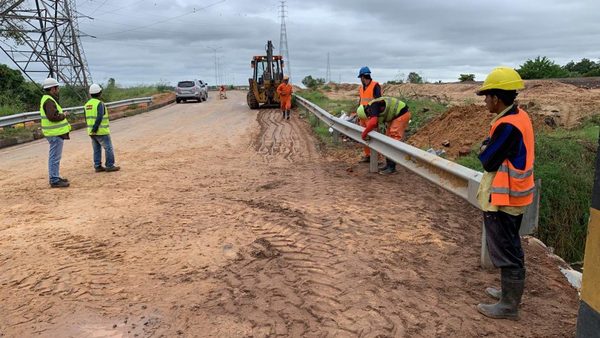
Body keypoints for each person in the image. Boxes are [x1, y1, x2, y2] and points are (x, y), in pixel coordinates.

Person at [475, 67, 534, 320]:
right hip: (516, 194)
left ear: (497, 98)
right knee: (510, 245)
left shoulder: (507, 126)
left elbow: (487, 161)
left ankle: (509, 306)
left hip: (505, 197)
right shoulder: (521, 116)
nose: (485, 101)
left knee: (506, 248)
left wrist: (485, 148)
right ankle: (506, 293)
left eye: (487, 97)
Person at [358, 96, 411, 174]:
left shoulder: (373, 106)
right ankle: (388, 165)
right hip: (395, 116)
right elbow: (375, 123)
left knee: (393, 141)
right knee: (388, 140)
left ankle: (391, 168)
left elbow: (373, 122)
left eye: (368, 116)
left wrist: (364, 134)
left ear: (366, 111)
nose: (369, 117)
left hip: (401, 114)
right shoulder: (374, 107)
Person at [40, 78, 71, 188]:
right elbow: (53, 116)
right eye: (57, 88)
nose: (58, 90)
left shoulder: (47, 99)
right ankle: (54, 179)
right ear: (53, 88)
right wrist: (64, 115)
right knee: (55, 157)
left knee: (55, 157)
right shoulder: (49, 100)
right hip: (54, 133)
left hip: (53, 133)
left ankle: (55, 176)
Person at [84, 83, 120, 173]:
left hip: (91, 132)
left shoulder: (87, 105)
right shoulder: (100, 104)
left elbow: (86, 118)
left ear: (90, 93)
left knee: (96, 149)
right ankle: (110, 165)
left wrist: (92, 129)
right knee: (108, 148)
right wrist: (95, 128)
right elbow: (99, 117)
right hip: (101, 131)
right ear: (100, 93)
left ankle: (97, 166)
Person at [357, 66, 381, 163]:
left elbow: (379, 101)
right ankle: (368, 155)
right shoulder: (361, 88)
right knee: (364, 136)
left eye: (361, 78)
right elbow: (360, 101)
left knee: (373, 137)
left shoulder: (375, 86)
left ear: (363, 77)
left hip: (372, 116)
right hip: (363, 116)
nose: (361, 80)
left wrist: (375, 114)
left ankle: (376, 158)